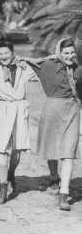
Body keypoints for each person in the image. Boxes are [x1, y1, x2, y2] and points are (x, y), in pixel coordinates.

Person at [27, 38, 81, 211]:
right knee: (51, 149)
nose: (70, 56)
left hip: (72, 110)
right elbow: (26, 62)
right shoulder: (48, 65)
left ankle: (64, 194)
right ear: (59, 52)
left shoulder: (79, 70)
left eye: (72, 52)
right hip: (52, 109)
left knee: (69, 152)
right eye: (66, 53)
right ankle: (53, 177)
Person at [0, 40, 36, 204]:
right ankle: (2, 188)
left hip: (19, 110)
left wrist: (24, 61)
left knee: (17, 151)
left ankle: (11, 173)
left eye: (6, 53)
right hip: (3, 110)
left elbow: (42, 68)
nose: (3, 56)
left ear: (12, 52)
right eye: (0, 54)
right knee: (3, 149)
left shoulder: (24, 67)